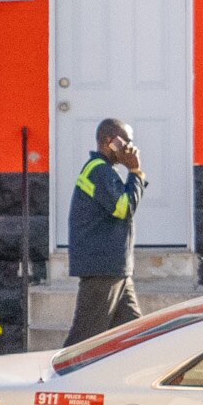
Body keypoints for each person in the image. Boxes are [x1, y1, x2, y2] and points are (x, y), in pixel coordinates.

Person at [65, 118, 147, 345]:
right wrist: (136, 172)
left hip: (114, 268)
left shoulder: (106, 171)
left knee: (135, 335)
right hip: (103, 268)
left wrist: (134, 174)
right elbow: (123, 208)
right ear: (108, 142)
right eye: (126, 142)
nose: (131, 148)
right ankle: (58, 378)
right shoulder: (98, 170)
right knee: (84, 340)